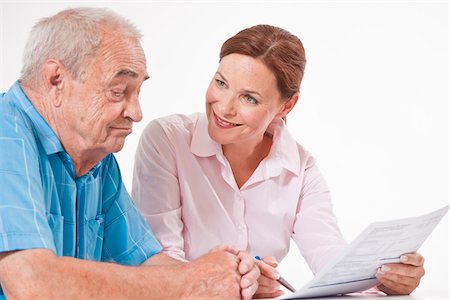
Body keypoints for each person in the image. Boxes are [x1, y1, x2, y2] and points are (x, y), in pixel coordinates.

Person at [132, 24, 426, 298]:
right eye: (221, 83)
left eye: (249, 98)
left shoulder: (301, 170)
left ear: (287, 105)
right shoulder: (167, 140)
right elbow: (158, 262)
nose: (224, 107)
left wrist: (384, 279)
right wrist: (239, 281)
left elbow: (331, 261)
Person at [0, 7, 260, 299]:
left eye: (138, 92)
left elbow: (147, 263)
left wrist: (229, 274)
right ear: (56, 79)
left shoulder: (96, 158)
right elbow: (29, 283)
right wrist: (192, 282)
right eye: (118, 91)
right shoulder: (5, 134)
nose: (136, 113)